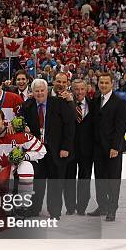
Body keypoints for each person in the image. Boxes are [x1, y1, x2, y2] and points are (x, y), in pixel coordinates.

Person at [18, 78, 75, 219]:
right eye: (36, 91)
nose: (39, 93)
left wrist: (66, 147)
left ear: (47, 91)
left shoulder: (58, 103)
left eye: (42, 90)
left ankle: (54, 212)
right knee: (37, 182)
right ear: (32, 92)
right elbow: (19, 123)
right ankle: (34, 209)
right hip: (36, 151)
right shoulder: (27, 105)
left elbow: (69, 125)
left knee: (55, 182)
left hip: (56, 150)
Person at [0, 109, 46, 213]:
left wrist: (24, 156)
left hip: (18, 170)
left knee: (26, 166)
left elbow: (42, 150)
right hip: (2, 175)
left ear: (3, 121)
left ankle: (23, 207)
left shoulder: (16, 134)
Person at [89, 72, 126, 221]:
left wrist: (115, 147)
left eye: (106, 83)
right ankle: (102, 206)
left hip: (113, 149)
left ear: (112, 84)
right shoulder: (96, 98)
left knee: (112, 179)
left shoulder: (119, 102)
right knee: (100, 178)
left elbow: (120, 128)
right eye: (101, 82)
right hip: (98, 148)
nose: (103, 85)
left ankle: (112, 209)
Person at [64, 79, 95, 215]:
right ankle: (70, 207)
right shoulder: (65, 104)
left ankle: (82, 207)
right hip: (70, 149)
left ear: (86, 89)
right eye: (77, 89)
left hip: (87, 151)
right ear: (72, 89)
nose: (80, 92)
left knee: (85, 179)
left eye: (82, 89)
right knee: (69, 179)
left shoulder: (93, 104)